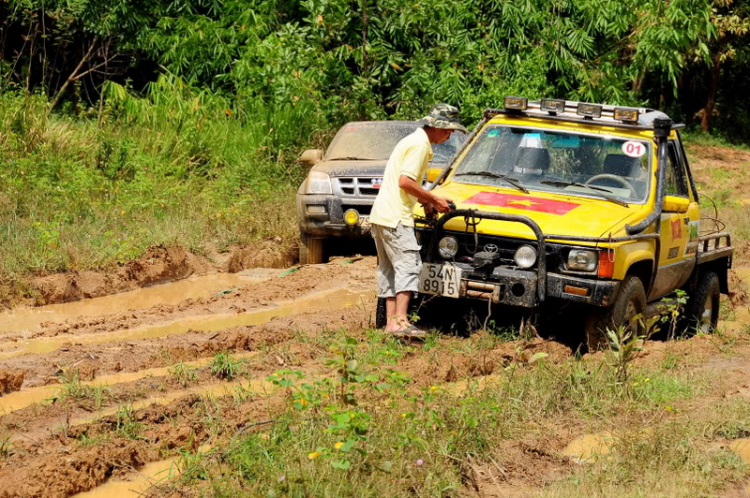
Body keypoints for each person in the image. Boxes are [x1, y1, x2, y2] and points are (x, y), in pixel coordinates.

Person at [369, 103, 467, 338]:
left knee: (390, 269)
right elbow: (405, 181)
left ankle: (391, 324)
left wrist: (426, 204)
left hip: (382, 214)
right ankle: (401, 321)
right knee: (409, 265)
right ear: (436, 126)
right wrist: (434, 198)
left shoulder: (413, 141)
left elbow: (407, 183)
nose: (449, 134)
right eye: (448, 130)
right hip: (396, 217)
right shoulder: (420, 145)